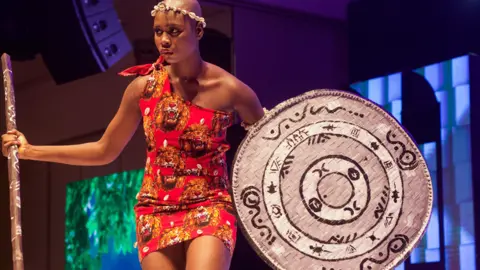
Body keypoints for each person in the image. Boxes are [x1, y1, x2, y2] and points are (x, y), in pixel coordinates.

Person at [1, 0, 265, 269]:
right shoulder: (143, 89)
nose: (164, 40)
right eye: (158, 31)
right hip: (156, 208)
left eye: (174, 31)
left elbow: (267, 147)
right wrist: (30, 150)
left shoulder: (232, 91)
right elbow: (105, 150)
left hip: (210, 203)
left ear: (198, 31)